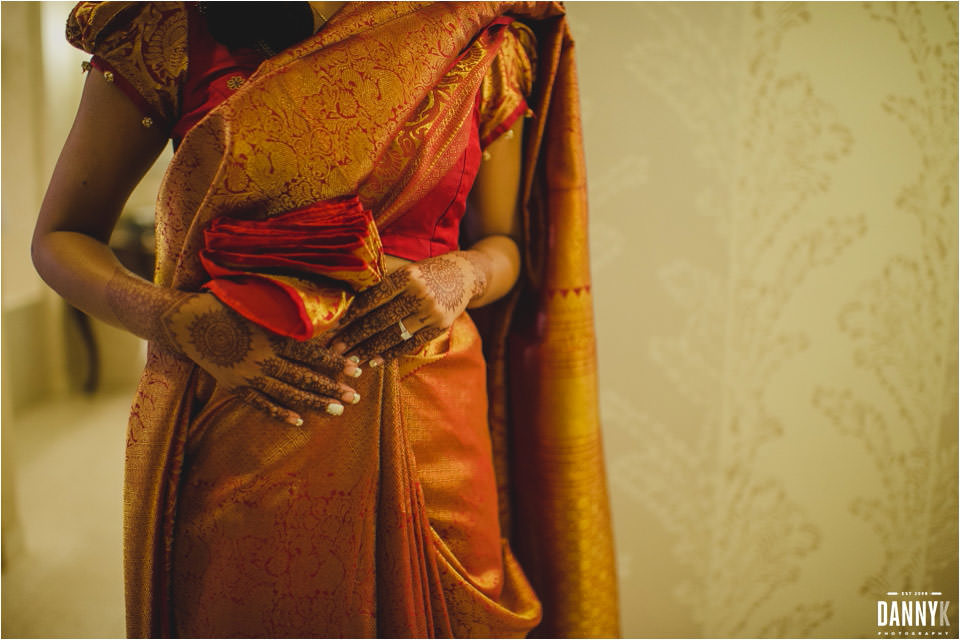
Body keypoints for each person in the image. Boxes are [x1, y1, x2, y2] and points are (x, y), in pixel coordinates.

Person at [32, 1, 619, 637]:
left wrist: (462, 274)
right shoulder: (178, 26)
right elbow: (62, 237)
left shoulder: (475, 35)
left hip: (434, 418)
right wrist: (178, 323)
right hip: (250, 412)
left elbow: (504, 245)